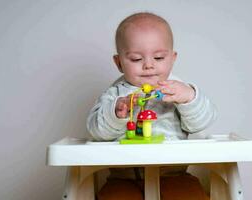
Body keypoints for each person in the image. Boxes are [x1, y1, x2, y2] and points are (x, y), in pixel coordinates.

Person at [87, 12, 217, 200]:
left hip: (173, 174)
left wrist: (189, 98)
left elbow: (200, 123)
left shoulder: (177, 90)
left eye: (158, 58)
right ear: (119, 63)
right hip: (124, 177)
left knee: (192, 195)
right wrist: (116, 114)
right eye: (136, 59)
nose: (148, 65)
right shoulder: (114, 95)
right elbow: (96, 131)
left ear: (172, 58)